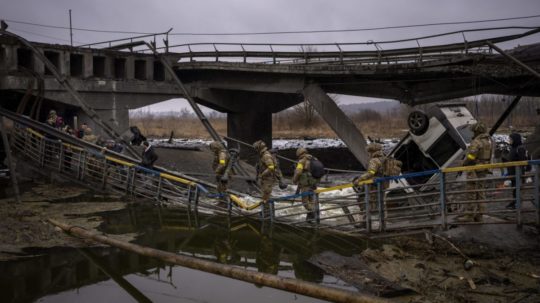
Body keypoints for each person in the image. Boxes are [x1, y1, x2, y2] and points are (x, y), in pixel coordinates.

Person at [460, 121, 492, 222]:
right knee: (480, 192)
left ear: (476, 131)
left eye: (474, 131)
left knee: (471, 191)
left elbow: (471, 156)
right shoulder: (488, 141)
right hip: (484, 168)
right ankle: (479, 215)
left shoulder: (477, 142)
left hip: (474, 169)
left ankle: (469, 215)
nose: (473, 133)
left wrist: (464, 163)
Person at [353, 143, 387, 221]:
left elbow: (371, 172)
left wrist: (359, 179)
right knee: (381, 202)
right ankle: (383, 220)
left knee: (364, 200)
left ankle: (363, 221)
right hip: (383, 183)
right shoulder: (384, 158)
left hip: (374, 185)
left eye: (369, 152)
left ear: (371, 151)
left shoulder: (374, 160)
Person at [292, 147, 320, 222]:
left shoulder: (301, 161)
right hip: (313, 183)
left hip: (305, 185)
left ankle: (313, 213)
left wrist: (294, 180)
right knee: (311, 200)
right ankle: (312, 217)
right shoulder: (313, 158)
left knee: (305, 202)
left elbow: (298, 172)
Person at [505, 132, 530, 209]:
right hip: (512, 172)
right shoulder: (513, 148)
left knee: (517, 189)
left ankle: (516, 203)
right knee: (515, 189)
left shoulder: (520, 148)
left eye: (511, 139)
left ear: (515, 140)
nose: (509, 140)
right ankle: (515, 202)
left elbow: (523, 161)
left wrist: (524, 171)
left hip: (518, 172)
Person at [253, 140, 277, 211]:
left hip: (268, 179)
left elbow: (271, 167)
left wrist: (261, 175)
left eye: (256, 148)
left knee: (266, 197)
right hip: (265, 179)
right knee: (265, 197)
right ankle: (267, 212)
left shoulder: (266, 156)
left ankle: (267, 213)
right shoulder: (263, 155)